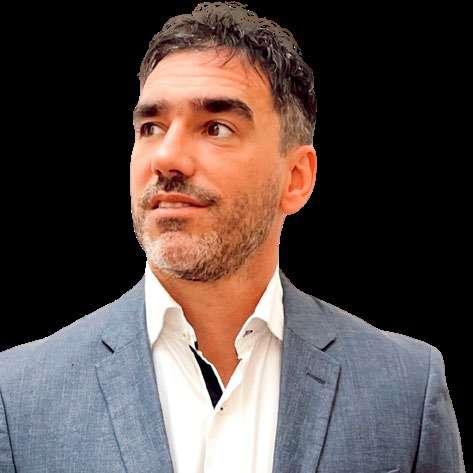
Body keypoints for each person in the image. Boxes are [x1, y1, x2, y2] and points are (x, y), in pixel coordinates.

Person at [0, 2, 464, 472]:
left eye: (216, 128)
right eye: (151, 127)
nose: (167, 158)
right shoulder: (19, 398)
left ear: (296, 178)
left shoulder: (405, 389)